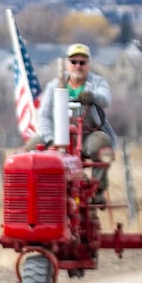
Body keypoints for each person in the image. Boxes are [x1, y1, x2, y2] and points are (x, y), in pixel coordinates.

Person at [28, 43, 116, 201]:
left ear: (88, 65)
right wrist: (51, 140)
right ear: (68, 64)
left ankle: (97, 190)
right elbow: (44, 115)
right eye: (74, 62)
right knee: (31, 148)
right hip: (58, 136)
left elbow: (105, 99)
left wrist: (92, 96)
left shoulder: (97, 82)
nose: (78, 66)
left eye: (82, 62)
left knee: (101, 143)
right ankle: (35, 192)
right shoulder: (54, 86)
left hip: (87, 135)